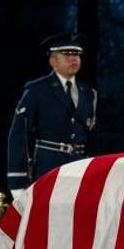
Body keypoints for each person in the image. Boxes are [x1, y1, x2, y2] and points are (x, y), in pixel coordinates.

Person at [6, 32, 97, 199]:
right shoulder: (37, 90)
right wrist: (17, 182)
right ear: (53, 61)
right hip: (47, 166)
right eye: (67, 54)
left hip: (79, 169)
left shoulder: (88, 93)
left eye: (76, 54)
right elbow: (19, 136)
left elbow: (91, 137)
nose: (73, 59)